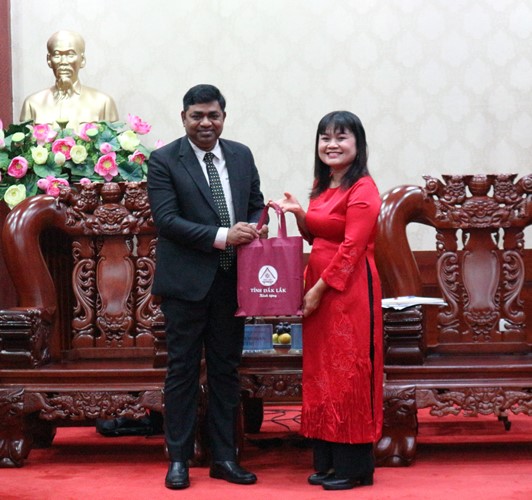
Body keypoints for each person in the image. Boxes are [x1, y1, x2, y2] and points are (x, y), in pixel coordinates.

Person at [147, 84, 266, 490]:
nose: (205, 123)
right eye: (197, 116)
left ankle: (225, 458)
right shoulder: (165, 160)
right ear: (183, 118)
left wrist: (255, 225)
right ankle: (178, 460)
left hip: (233, 283)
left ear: (223, 118)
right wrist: (223, 236)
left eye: (213, 115)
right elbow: (166, 220)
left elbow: (255, 202)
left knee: (226, 371)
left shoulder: (241, 154)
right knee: (182, 371)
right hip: (185, 285)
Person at [276, 111, 383, 491]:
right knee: (323, 374)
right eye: (325, 137)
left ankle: (355, 468)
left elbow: (352, 248)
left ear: (358, 144)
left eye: (341, 137)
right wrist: (300, 214)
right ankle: (329, 462)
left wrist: (318, 290)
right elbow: (318, 237)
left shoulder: (363, 188)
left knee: (349, 373)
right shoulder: (323, 185)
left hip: (348, 290)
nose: (332, 144)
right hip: (319, 286)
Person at [20, 30, 118, 128]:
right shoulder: (32, 103)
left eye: (70, 55)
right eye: (57, 55)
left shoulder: (104, 103)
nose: (63, 62)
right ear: (49, 60)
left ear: (82, 60)